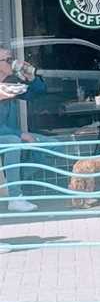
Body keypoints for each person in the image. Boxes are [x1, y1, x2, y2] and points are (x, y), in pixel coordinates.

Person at [0, 46, 47, 213]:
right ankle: (15, 197)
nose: (11, 62)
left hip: (8, 133)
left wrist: (32, 78)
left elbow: (37, 94)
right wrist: (21, 134)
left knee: (52, 145)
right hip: (7, 135)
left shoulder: (11, 83)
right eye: (7, 60)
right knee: (14, 142)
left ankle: (9, 184)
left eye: (11, 58)